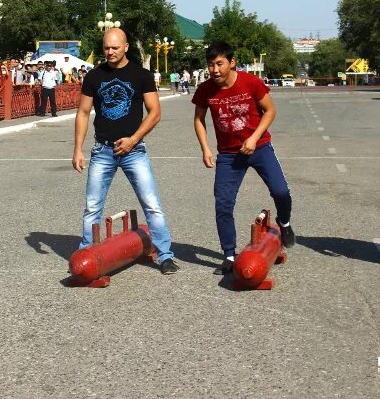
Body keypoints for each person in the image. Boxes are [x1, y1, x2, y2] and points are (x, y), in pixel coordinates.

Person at [72, 28, 179, 275]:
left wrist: (133, 140)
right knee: (92, 206)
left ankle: (165, 255)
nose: (110, 52)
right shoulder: (94, 76)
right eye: (106, 48)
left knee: (151, 204)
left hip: (134, 150)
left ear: (126, 47)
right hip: (102, 150)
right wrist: (77, 149)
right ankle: (86, 254)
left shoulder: (141, 75)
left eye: (115, 48)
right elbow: (83, 113)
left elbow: (155, 113)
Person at [192, 42, 294, 275]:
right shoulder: (205, 89)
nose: (214, 70)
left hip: (259, 147)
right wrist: (205, 148)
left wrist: (254, 137)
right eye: (210, 65)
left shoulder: (251, 83)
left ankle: (285, 223)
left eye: (219, 64)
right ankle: (229, 255)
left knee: (281, 192)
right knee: (223, 204)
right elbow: (199, 119)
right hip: (228, 155)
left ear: (232, 62)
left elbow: (270, 110)